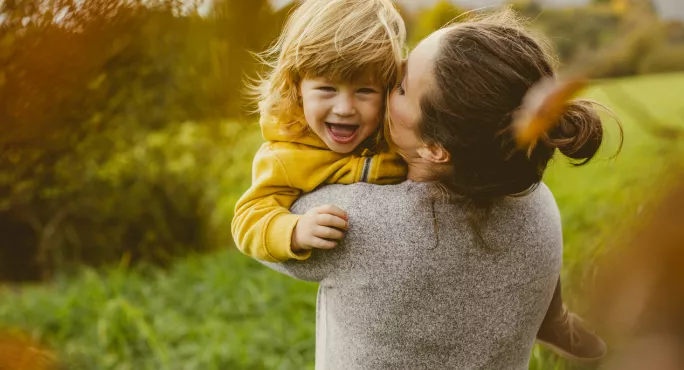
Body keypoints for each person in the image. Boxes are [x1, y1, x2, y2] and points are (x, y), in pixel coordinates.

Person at [260, 9, 619, 369]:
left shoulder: (353, 222)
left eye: (399, 87)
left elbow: (264, 231)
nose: (387, 80)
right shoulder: (538, 203)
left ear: (434, 148)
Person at [231, 0, 407, 263]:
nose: (345, 109)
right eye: (327, 89)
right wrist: (294, 231)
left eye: (365, 91)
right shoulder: (285, 155)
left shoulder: (397, 131)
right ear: (296, 86)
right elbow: (248, 218)